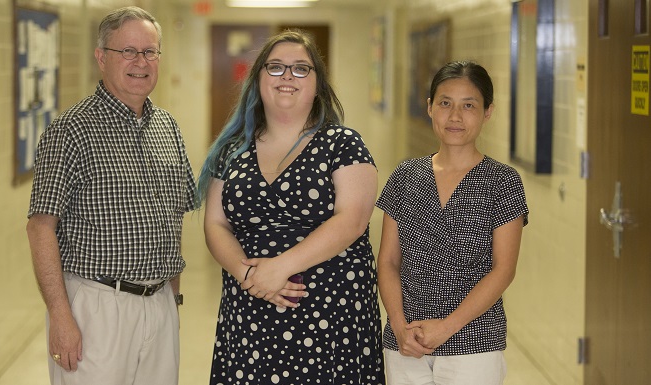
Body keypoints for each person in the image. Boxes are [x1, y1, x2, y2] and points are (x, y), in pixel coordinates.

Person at [197, 29, 386, 384]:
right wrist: (251, 275)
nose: (287, 76)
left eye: (301, 69)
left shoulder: (343, 144)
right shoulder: (231, 149)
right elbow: (215, 224)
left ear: (318, 84)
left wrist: (279, 268)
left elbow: (352, 221)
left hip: (331, 314)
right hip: (251, 308)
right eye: (276, 67)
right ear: (258, 79)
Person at [26, 6, 196, 385]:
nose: (141, 62)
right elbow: (40, 229)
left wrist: (175, 300)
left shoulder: (168, 127)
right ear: (102, 58)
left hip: (160, 306)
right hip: (98, 307)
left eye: (150, 51)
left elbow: (173, 221)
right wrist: (60, 315)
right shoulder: (70, 131)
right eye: (128, 51)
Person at [376, 60, 529, 385]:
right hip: (406, 342)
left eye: (469, 105)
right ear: (430, 107)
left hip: (473, 343)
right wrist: (400, 325)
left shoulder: (502, 181)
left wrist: (446, 326)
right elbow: (388, 262)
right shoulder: (405, 176)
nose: (455, 116)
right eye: (445, 103)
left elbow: (504, 269)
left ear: (488, 111)